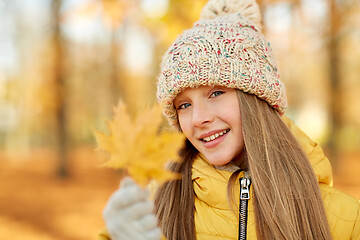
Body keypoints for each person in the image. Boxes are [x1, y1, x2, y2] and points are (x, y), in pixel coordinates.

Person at [98, 0, 360, 239]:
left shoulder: (345, 220)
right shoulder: (150, 209)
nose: (198, 119)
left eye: (216, 92)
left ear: (256, 99)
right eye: (184, 105)